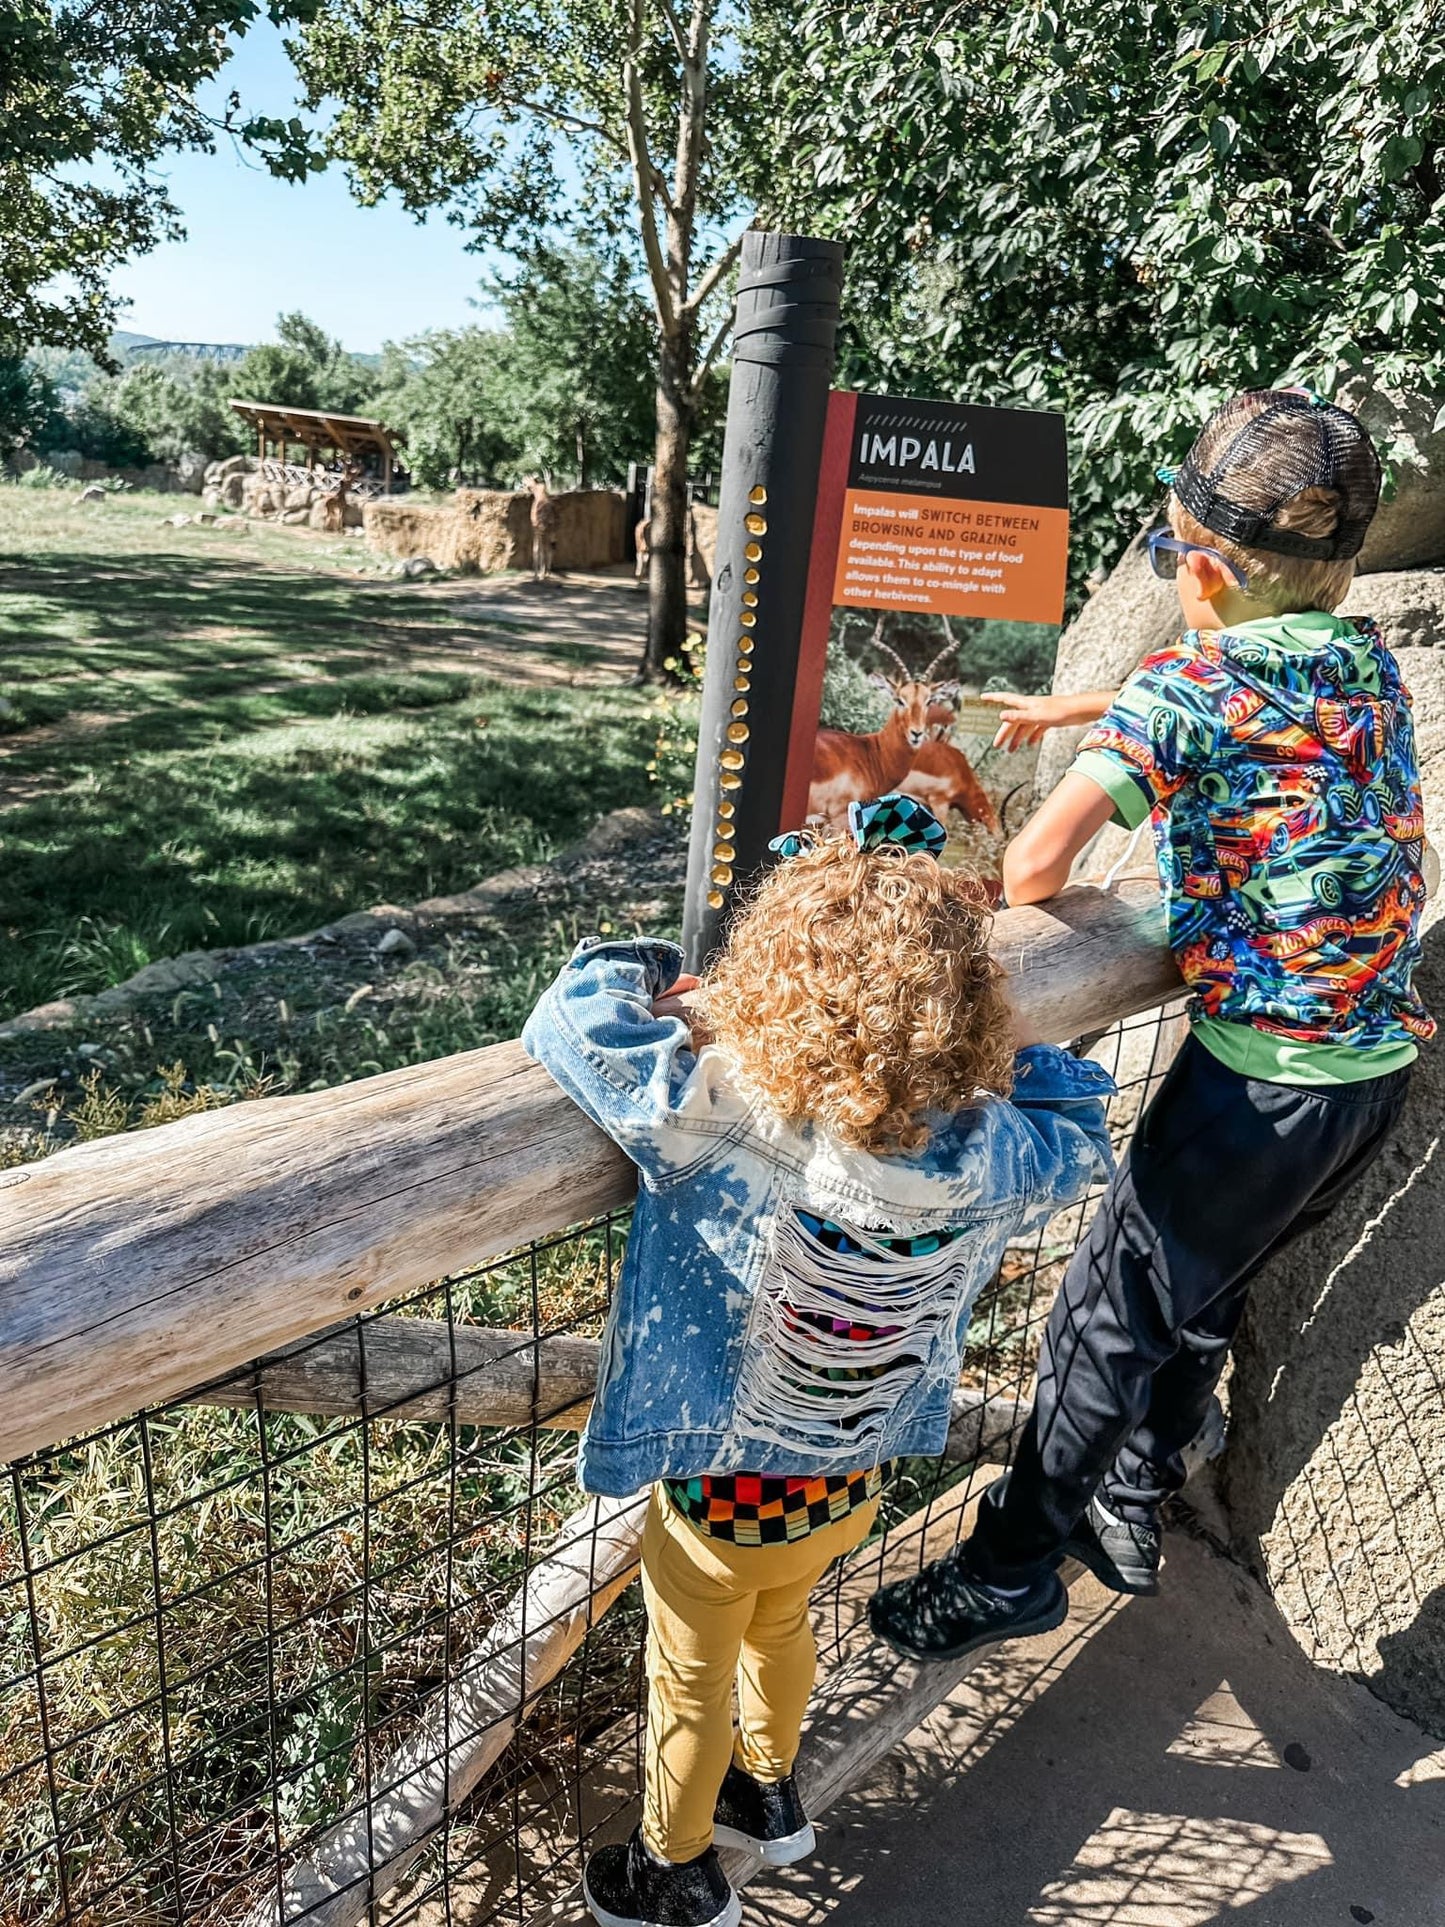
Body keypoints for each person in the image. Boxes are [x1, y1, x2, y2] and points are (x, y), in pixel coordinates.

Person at [869, 388, 1435, 1665]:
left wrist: (1104, 743)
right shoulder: (1359, 663)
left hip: (1259, 1082)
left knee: (1101, 1314)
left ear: (1192, 566)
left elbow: (1031, 870)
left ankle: (1011, 1565)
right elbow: (1256, 730)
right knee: (1205, 1288)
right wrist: (1094, 715)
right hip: (1369, 1071)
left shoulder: (1188, 684)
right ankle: (1131, 1495)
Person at [523, 794, 1114, 1927]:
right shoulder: (996, 1151)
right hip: (850, 1478)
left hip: (720, 1494)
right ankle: (773, 1799)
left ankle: (675, 1871)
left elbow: (573, 1012)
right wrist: (1011, 1066)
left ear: (767, 980)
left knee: (685, 1674)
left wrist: (668, 973)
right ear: (963, 1007)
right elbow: (1074, 1126)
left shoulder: (713, 1110)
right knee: (784, 1625)